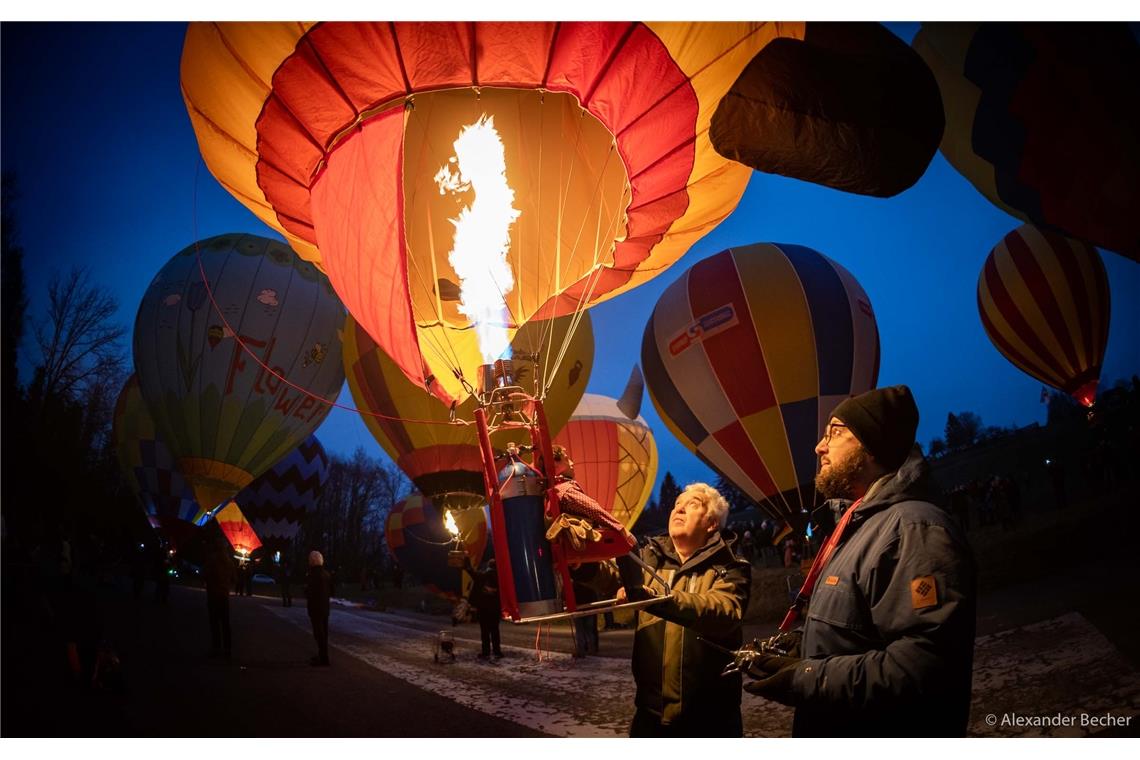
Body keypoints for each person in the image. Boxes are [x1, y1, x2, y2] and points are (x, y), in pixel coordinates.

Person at [740, 385, 976, 737]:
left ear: (872, 444)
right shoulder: (855, 529)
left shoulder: (913, 530)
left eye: (834, 432)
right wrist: (804, 645)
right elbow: (856, 633)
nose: (819, 446)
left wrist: (803, 677)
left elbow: (922, 668)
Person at [577, 482, 751, 737]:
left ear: (712, 523)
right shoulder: (649, 558)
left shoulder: (731, 566)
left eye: (691, 504)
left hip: (711, 720)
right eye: (676, 504)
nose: (678, 509)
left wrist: (658, 599)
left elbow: (724, 611)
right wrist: (580, 564)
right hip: (650, 715)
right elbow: (613, 576)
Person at [464, 556, 503, 659]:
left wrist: (467, 559)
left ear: (488, 566)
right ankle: (497, 651)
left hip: (484, 608)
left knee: (485, 631)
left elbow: (470, 571)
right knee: (495, 630)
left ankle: (486, 652)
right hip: (495, 608)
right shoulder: (501, 578)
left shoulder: (482, 576)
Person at [203, 534, 236, 658]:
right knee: (225, 622)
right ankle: (227, 649)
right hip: (224, 595)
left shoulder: (211, 559)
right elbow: (234, 579)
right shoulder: (229, 562)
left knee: (214, 622)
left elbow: (205, 574)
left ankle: (216, 648)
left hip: (213, 594)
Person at [306, 550, 333, 666]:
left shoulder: (312, 575)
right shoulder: (326, 574)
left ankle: (323, 658)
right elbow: (332, 591)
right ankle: (323, 656)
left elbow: (311, 592)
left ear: (312, 561)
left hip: (315, 608)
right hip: (325, 608)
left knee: (318, 634)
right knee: (324, 633)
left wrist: (306, 591)